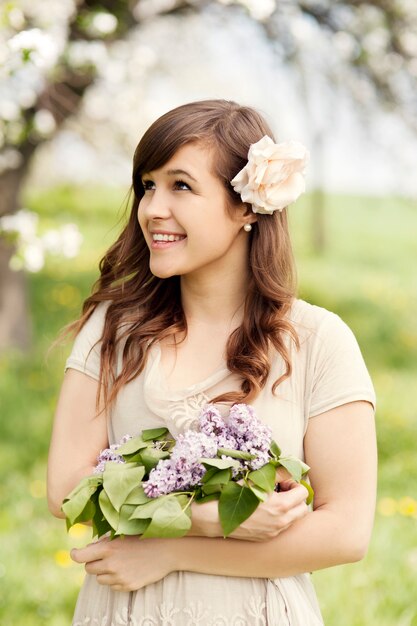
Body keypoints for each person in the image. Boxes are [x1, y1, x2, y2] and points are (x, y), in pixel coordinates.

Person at [47, 99, 377, 625]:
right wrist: (204, 519)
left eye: (181, 186)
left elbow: (346, 532)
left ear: (248, 205)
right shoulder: (114, 330)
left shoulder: (319, 340)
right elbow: (66, 487)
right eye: (147, 185)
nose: (154, 208)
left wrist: (172, 550)